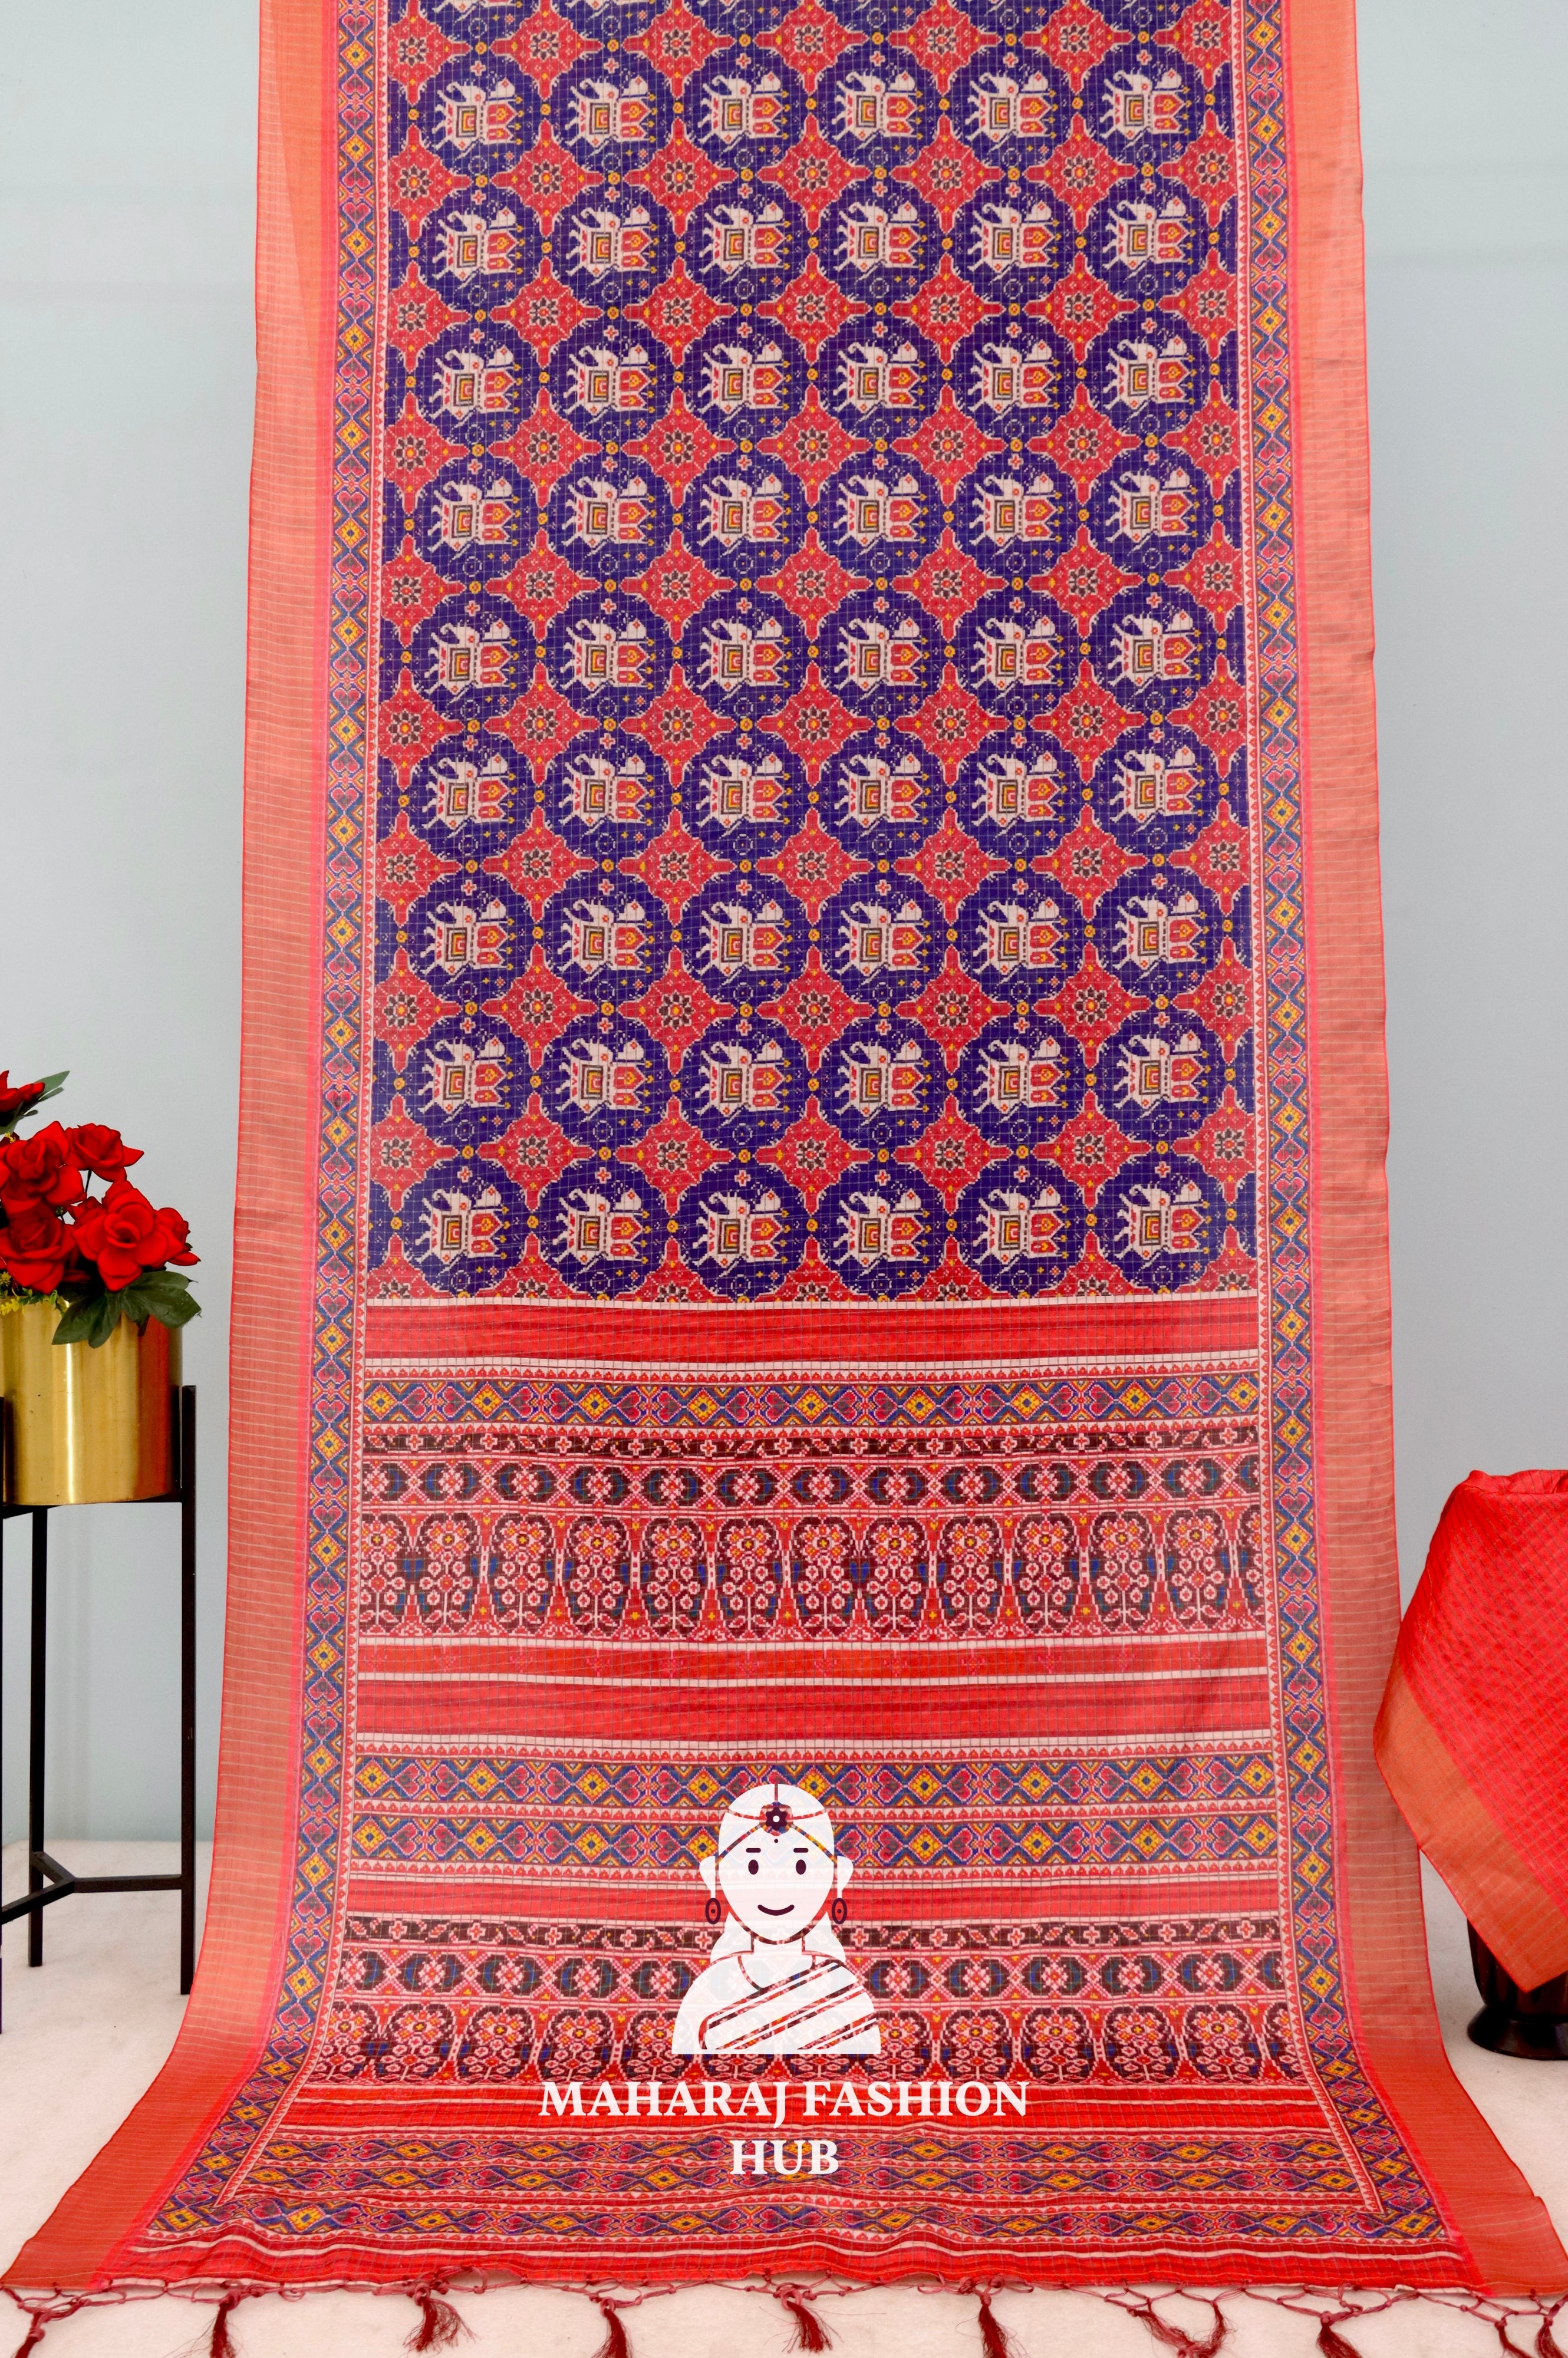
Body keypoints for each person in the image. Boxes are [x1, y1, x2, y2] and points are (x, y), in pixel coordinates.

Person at [671, 1780, 881, 2056]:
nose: (776, 1887)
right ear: (715, 1878)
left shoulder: (842, 1987)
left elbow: (867, 2066)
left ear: (837, 1877)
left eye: (801, 1866)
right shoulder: (710, 1989)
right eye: (753, 1866)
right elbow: (684, 2066)